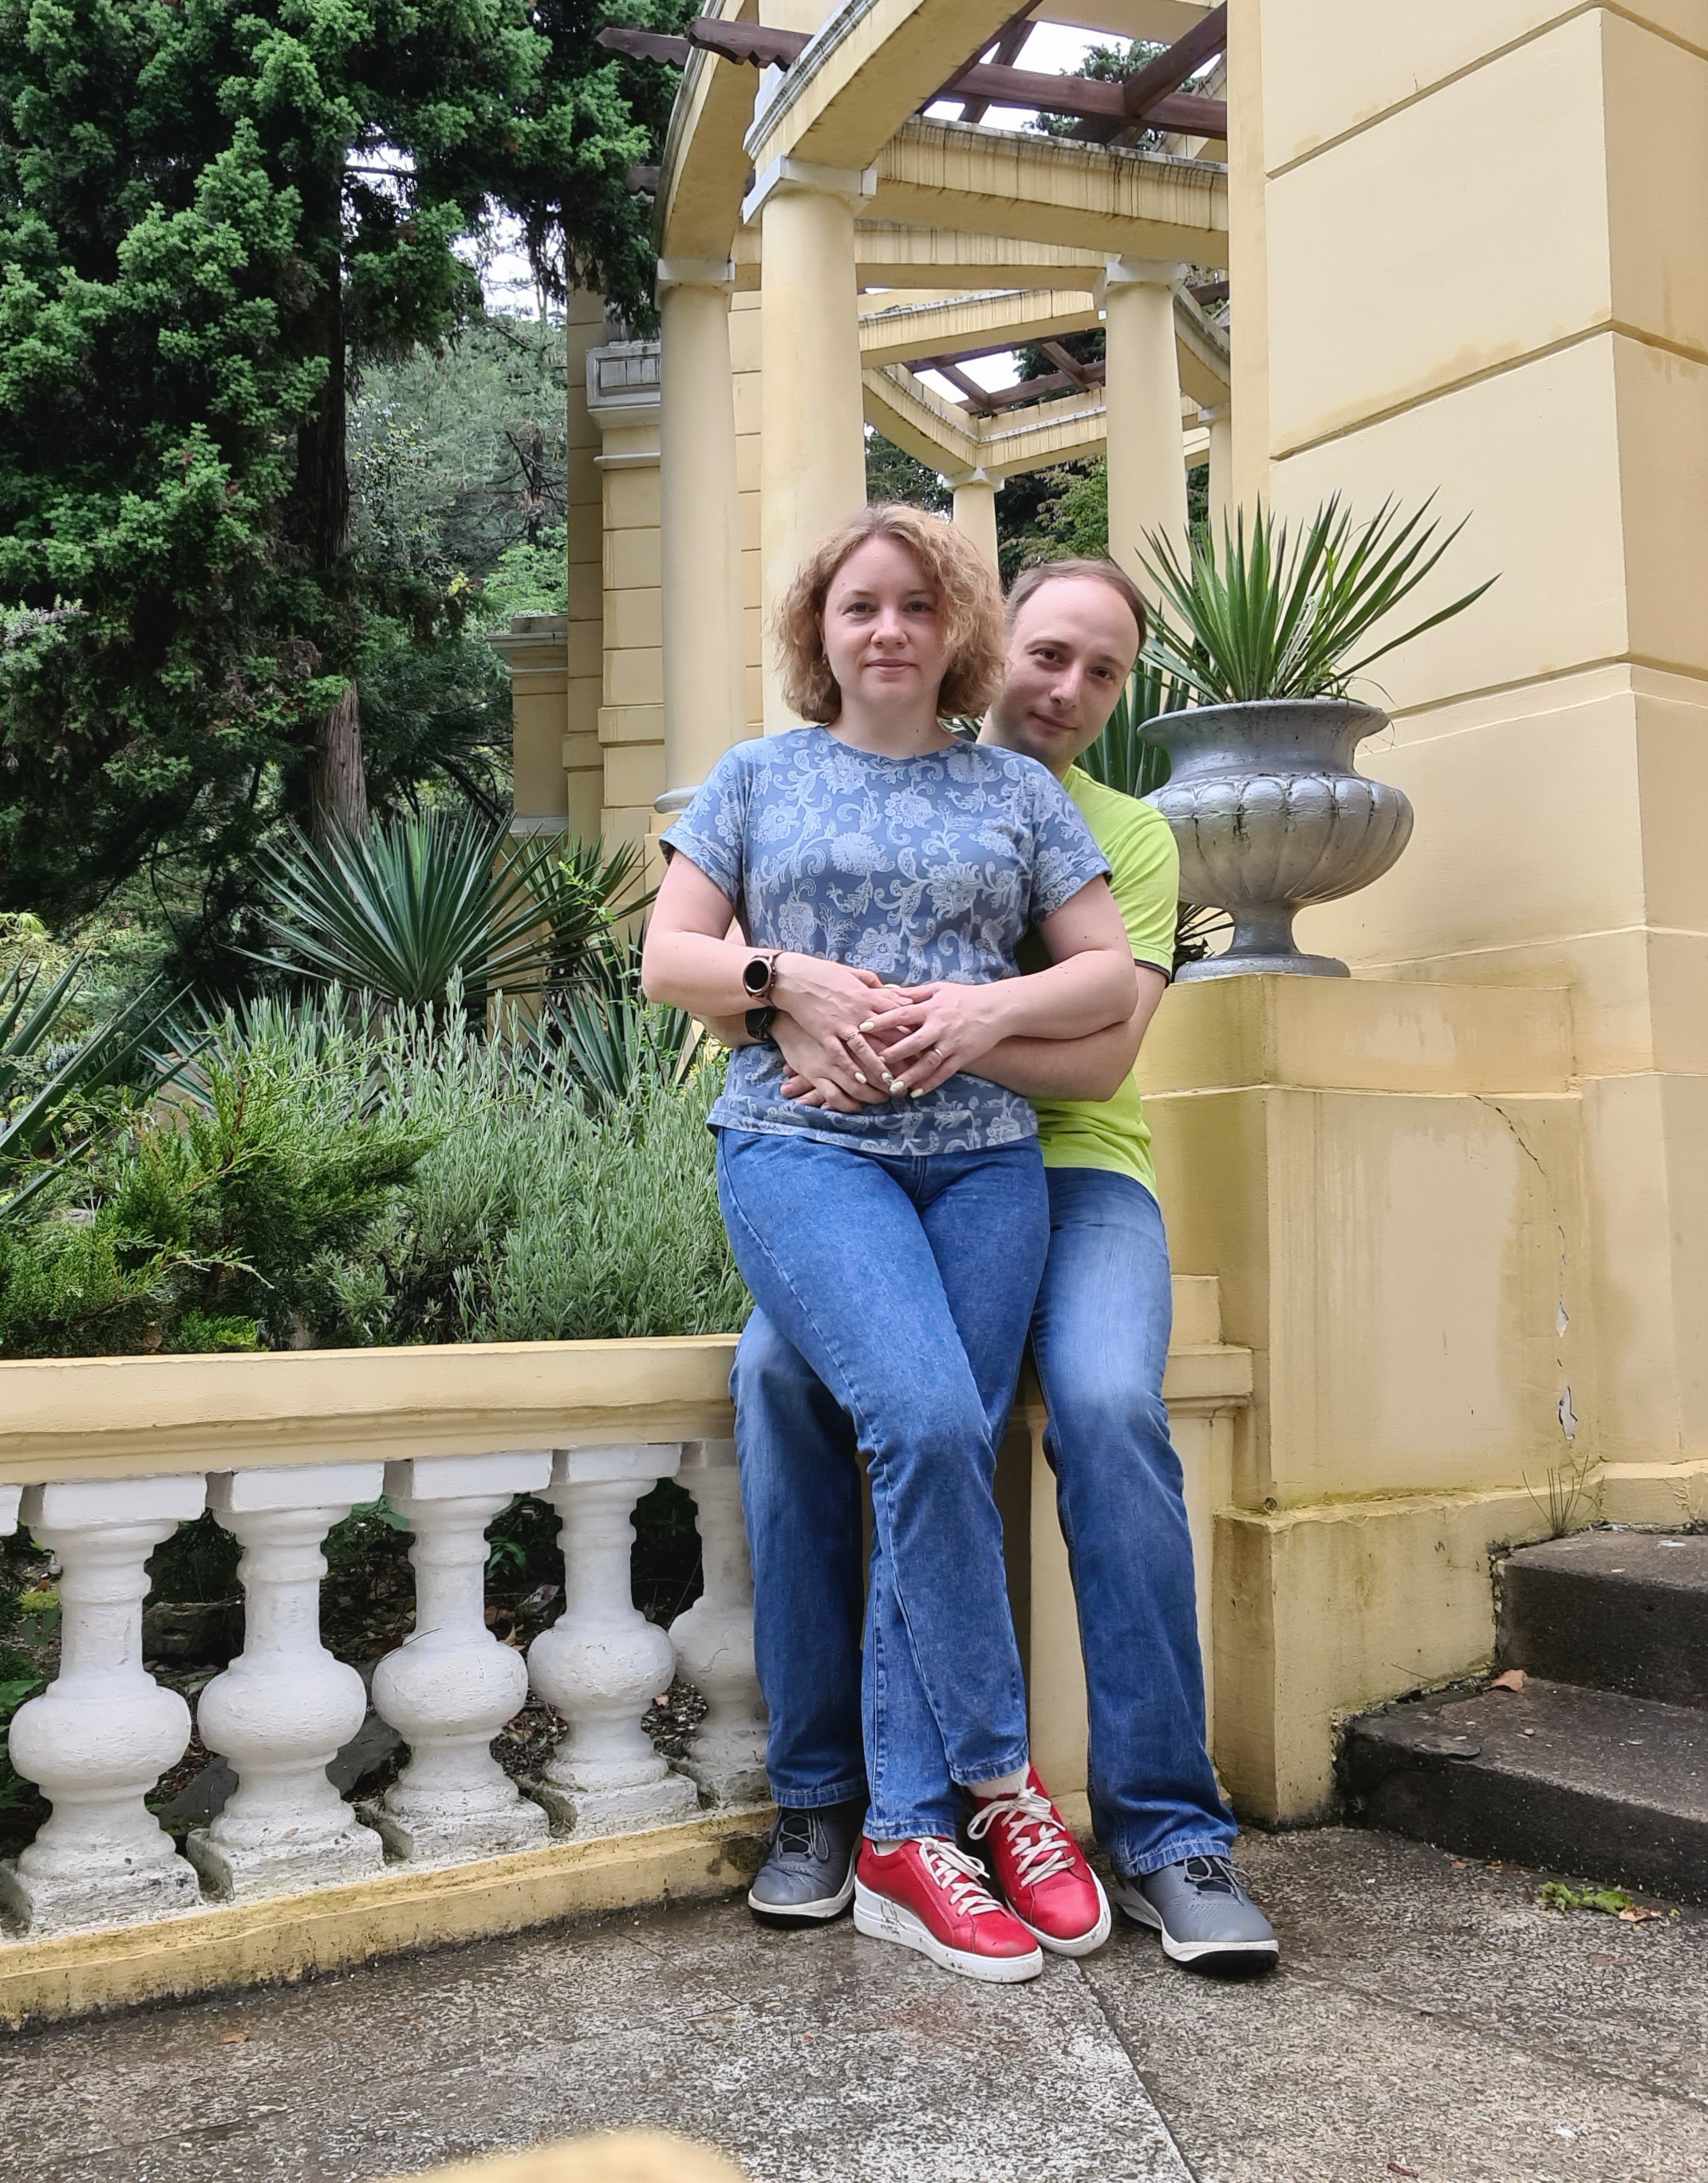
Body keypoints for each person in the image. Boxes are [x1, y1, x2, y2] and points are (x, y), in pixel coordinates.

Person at [732, 557, 1282, 1977]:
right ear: (997, 641)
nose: (1070, 690)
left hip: (1074, 1170)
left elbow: (1099, 1057)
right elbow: (725, 964)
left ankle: (1165, 1832)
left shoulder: (1124, 833)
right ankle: (827, 1798)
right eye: (1050, 653)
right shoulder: (842, 779)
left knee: (1103, 1406)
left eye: (1105, 672)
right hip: (862, 1163)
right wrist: (794, 1018)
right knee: (782, 1380)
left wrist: (944, 1034)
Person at [641, 507, 1138, 1986]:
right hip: (805, 1154)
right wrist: (783, 981)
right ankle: (1000, 1781)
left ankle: (905, 1836)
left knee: (949, 1450)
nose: (890, 631)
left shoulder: (1016, 792)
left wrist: (986, 1012)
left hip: (983, 1169)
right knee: (920, 1421)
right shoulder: (756, 777)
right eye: (861, 605)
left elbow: (1106, 977)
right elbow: (669, 957)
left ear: (957, 628)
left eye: (919, 607)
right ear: (820, 626)